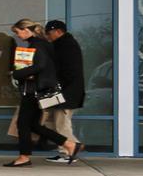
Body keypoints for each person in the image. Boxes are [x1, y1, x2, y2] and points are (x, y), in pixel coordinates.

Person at [6, 19, 79, 167]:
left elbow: (40, 65)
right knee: (33, 125)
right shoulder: (43, 44)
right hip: (39, 89)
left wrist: (17, 74)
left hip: (34, 90)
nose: (18, 35)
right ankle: (69, 144)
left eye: (18, 32)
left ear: (26, 30)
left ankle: (24, 157)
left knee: (23, 123)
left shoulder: (37, 45)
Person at [42, 20, 86, 162]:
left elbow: (67, 71)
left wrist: (56, 85)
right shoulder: (64, 44)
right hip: (66, 91)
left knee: (61, 123)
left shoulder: (66, 46)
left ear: (58, 31)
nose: (48, 37)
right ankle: (65, 150)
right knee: (53, 122)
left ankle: (70, 150)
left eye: (49, 33)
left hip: (67, 92)